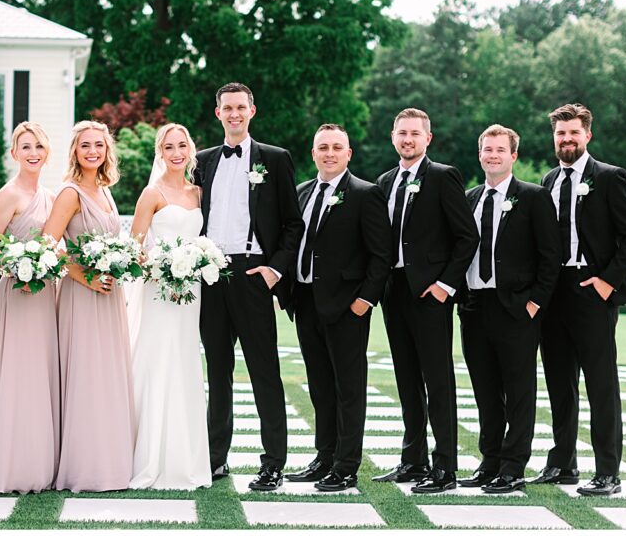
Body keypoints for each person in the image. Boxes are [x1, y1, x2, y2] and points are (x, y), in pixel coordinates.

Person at [194, 82, 305, 491]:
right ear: (218, 112)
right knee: (217, 372)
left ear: (252, 111)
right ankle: (214, 459)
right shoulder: (202, 161)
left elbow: (294, 224)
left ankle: (273, 462)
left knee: (264, 372)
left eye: (241, 107)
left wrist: (274, 270)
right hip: (210, 277)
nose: (235, 114)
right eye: (228, 108)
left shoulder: (275, 160)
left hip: (254, 276)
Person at [531, 104, 626, 497]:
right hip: (553, 291)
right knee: (559, 383)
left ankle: (608, 473)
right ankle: (563, 463)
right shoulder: (547, 180)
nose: (566, 140)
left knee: (600, 385)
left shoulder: (610, 178)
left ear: (587, 136)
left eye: (573, 133)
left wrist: (606, 282)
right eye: (560, 134)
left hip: (592, 290)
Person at [372, 107, 479, 494]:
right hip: (393, 292)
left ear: (427, 139)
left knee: (438, 380)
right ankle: (412, 460)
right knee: (406, 379)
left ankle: (445, 468)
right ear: (393, 136)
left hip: (431, 294)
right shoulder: (383, 182)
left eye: (415, 134)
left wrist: (444, 286)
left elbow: (467, 237)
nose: (408, 139)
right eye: (402, 133)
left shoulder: (443, 176)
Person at [286, 124, 393, 492]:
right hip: (305, 302)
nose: (329, 153)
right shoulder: (300, 193)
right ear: (313, 153)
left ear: (349, 154)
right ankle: (324, 457)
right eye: (322, 147)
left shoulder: (366, 194)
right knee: (319, 385)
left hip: (348, 307)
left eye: (336, 147)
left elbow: (382, 254)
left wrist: (364, 300)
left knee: (349, 388)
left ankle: (346, 465)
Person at [456, 125, 561, 494]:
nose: (493, 155)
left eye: (501, 149)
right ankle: (490, 460)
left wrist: (534, 302)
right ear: (480, 153)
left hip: (517, 308)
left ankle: (514, 466)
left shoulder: (534, 197)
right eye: (487, 149)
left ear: (513, 155)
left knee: (518, 390)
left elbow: (552, 256)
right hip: (473, 307)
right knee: (485, 389)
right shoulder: (467, 198)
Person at [43, 120, 135, 492]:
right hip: (82, 295)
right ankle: (84, 467)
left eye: (99, 144)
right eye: (85, 146)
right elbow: (48, 244)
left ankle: (110, 459)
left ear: (106, 150)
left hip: (110, 297)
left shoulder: (104, 190)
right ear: (75, 152)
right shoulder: (70, 193)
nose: (93, 151)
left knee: (106, 375)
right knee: (85, 375)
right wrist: (85, 277)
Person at [127, 123, 212, 490]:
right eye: (168, 147)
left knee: (185, 362)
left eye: (181, 145)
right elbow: (135, 246)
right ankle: (148, 458)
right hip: (160, 292)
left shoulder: (198, 193)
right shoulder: (152, 192)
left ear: (190, 149)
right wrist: (164, 274)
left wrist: (192, 268)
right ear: (160, 153)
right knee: (157, 360)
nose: (176, 153)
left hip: (190, 293)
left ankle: (184, 457)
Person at [0, 122, 59, 493]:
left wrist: (47, 260)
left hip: (45, 295)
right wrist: (18, 261)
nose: (33, 153)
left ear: (47, 152)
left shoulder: (50, 195)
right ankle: (13, 466)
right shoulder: (8, 195)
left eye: (39, 146)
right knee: (17, 373)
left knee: (41, 374)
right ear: (14, 153)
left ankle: (41, 461)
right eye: (25, 147)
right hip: (17, 292)